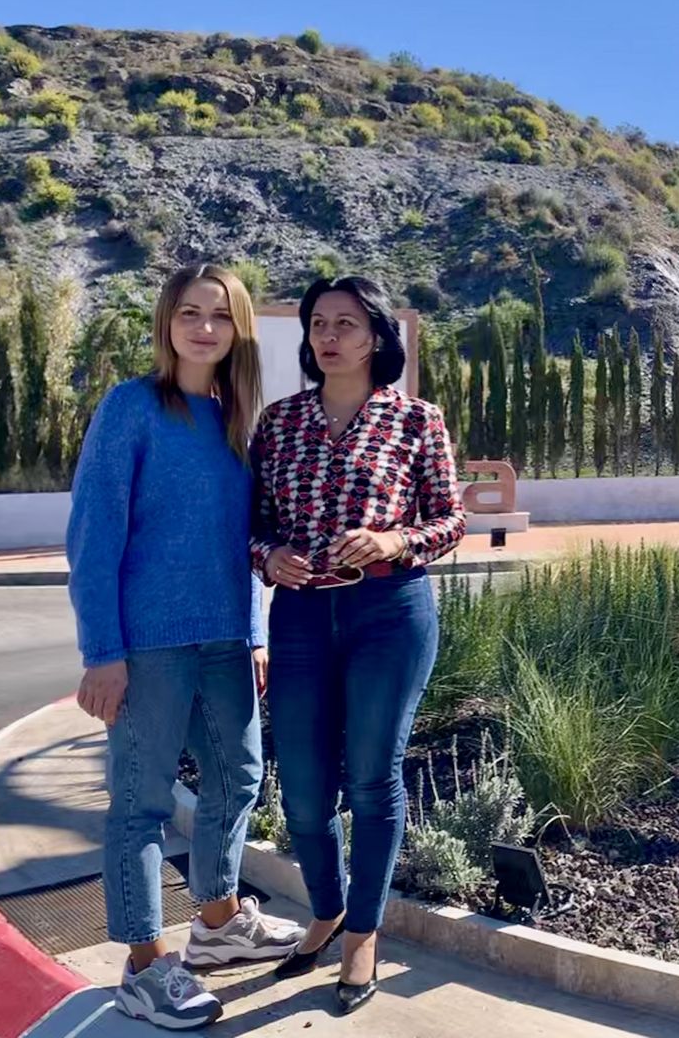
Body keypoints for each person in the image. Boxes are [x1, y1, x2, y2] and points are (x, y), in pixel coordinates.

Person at [68, 264, 305, 1030]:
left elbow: (249, 540)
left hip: (228, 640)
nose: (204, 328)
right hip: (148, 650)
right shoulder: (131, 408)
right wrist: (102, 651)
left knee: (237, 779)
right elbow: (94, 538)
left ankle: (218, 925)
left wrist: (258, 630)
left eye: (220, 315)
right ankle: (143, 967)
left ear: (237, 329)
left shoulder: (238, 419)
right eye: (190, 313)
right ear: (167, 322)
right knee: (140, 804)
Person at [251, 276, 465, 1014]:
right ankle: (327, 906)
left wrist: (394, 538)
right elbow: (253, 525)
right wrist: (268, 557)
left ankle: (362, 935)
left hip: (388, 612)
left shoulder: (416, 420)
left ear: (376, 336)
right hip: (302, 619)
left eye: (345, 323)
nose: (328, 336)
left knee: (374, 777)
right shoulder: (278, 425)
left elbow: (450, 520)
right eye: (317, 323)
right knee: (304, 793)